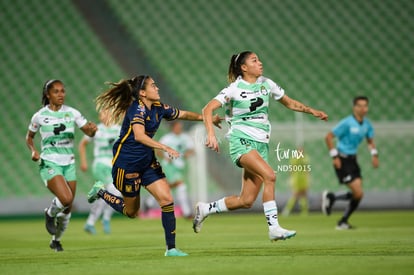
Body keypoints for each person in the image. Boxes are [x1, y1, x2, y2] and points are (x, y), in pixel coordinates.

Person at [194, 51, 328, 242]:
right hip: (241, 141)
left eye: (259, 60)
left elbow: (289, 103)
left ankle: (205, 209)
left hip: (260, 144)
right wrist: (211, 134)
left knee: (246, 200)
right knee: (270, 176)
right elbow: (207, 109)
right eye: (254, 60)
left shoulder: (267, 83)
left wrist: (311, 110)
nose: (260, 63)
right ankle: (273, 228)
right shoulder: (234, 89)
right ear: (244, 67)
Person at [86, 75, 222, 256]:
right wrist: (164, 147)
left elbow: (183, 114)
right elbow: (140, 136)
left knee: (167, 200)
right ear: (142, 93)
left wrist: (207, 119)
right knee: (131, 212)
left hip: (147, 163)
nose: (157, 88)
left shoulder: (158, 108)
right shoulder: (136, 110)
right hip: (126, 166)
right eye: (153, 86)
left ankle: (171, 249)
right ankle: (101, 192)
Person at [25, 79, 97, 252]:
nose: (60, 95)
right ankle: (49, 213)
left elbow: (87, 130)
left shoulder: (72, 113)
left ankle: (56, 240)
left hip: (69, 163)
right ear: (48, 95)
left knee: (68, 207)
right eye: (56, 91)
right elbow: (29, 137)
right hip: (50, 162)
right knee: (66, 198)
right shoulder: (39, 116)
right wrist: (33, 151)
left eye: (62, 91)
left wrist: (92, 131)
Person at [322, 96, 379, 230]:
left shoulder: (367, 125)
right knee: (357, 192)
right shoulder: (347, 123)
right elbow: (328, 137)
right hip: (342, 160)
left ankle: (340, 215)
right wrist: (334, 156)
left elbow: (370, 141)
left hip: (353, 160)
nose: (363, 108)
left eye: (365, 106)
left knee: (359, 194)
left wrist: (374, 155)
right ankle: (336, 207)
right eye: (359, 105)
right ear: (354, 107)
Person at [79, 109, 122, 235]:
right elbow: (82, 144)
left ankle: (94, 221)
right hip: (100, 165)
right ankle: (101, 220)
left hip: (113, 165)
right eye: (103, 113)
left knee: (115, 193)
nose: (105, 115)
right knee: (111, 191)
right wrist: (83, 161)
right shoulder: (96, 130)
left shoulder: (118, 129)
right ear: (100, 116)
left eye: (108, 113)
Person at [144, 121, 195, 219]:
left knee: (166, 187)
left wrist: (187, 154)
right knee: (181, 185)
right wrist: (165, 158)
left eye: (180, 126)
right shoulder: (167, 138)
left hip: (179, 167)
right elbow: (158, 150)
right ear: (173, 127)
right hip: (169, 166)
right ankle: (187, 212)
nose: (179, 128)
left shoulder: (185, 138)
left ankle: (149, 202)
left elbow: (191, 150)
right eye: (177, 126)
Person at [282, 147, 310, 216]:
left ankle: (304, 212)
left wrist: (308, 177)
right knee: (295, 194)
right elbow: (291, 169)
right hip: (296, 178)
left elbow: (307, 169)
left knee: (304, 194)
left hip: (304, 178)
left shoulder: (305, 158)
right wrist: (290, 179)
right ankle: (287, 210)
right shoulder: (294, 159)